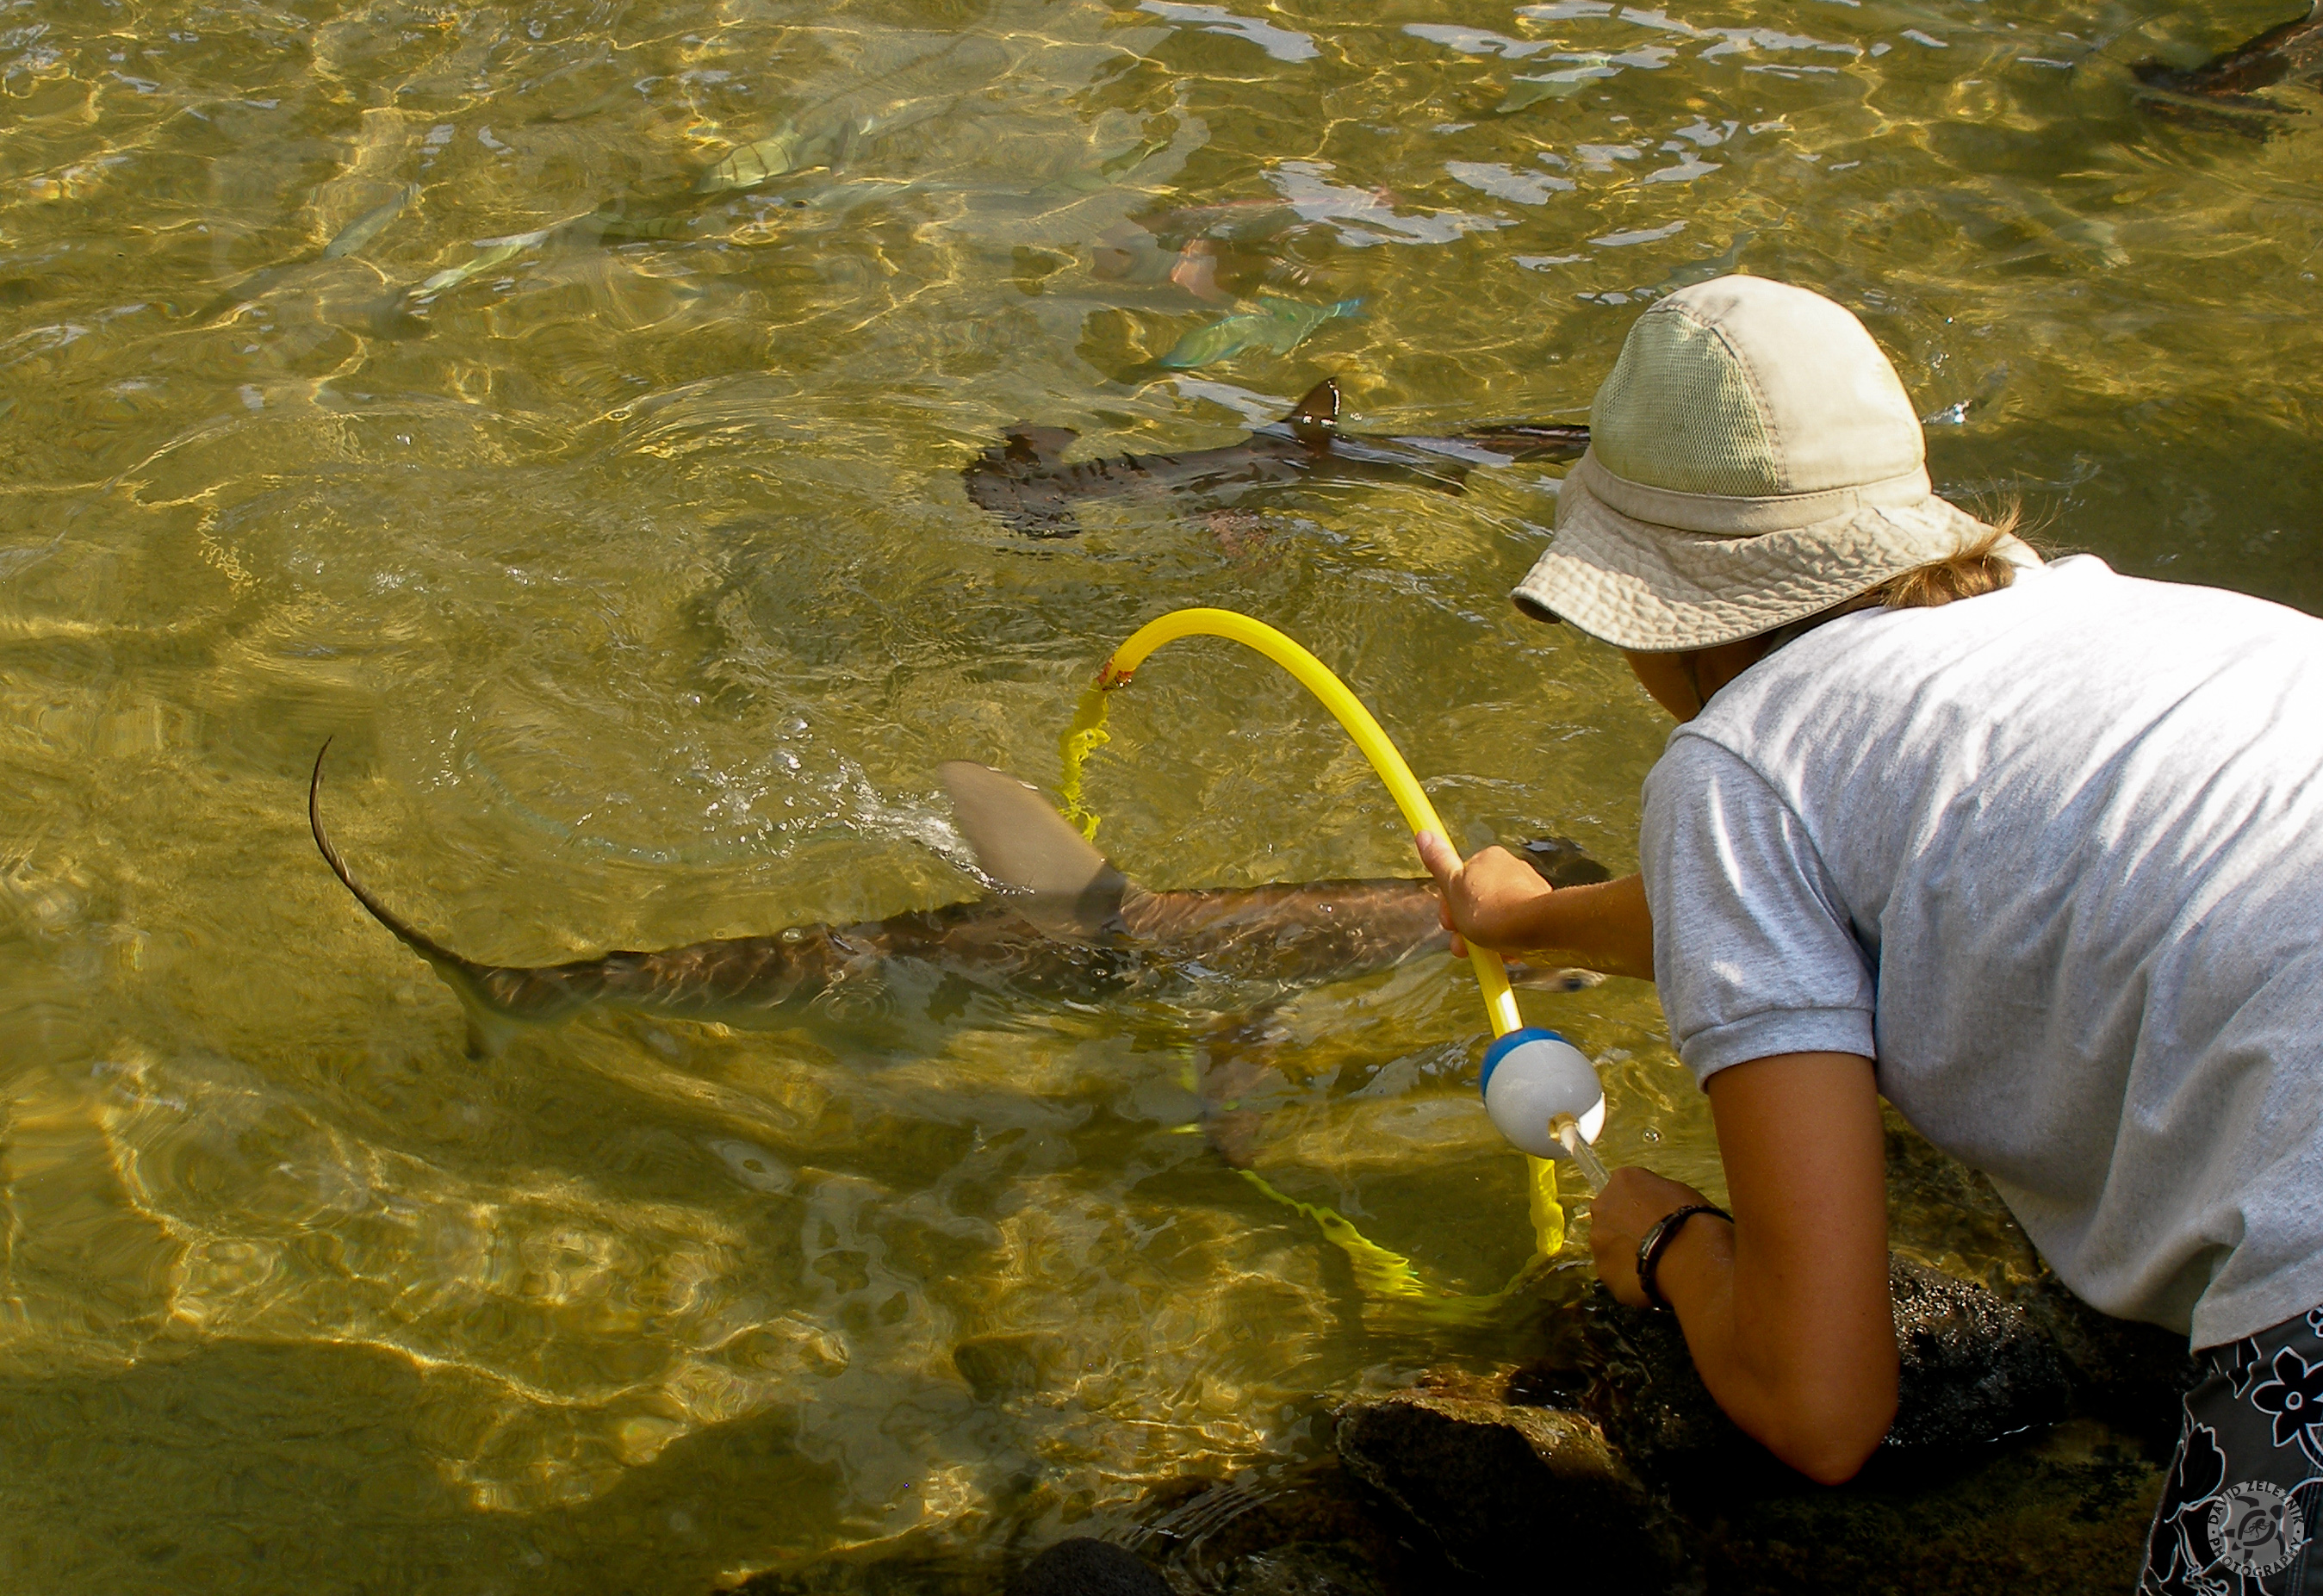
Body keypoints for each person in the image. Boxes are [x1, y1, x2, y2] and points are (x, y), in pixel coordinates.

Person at [1413, 275, 2323, 1594]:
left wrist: (1669, 1248)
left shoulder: (1735, 767)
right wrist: (1531, 919)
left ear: (1648, 615)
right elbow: (1853, 889)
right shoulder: (2113, 623)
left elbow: (1821, 1401)